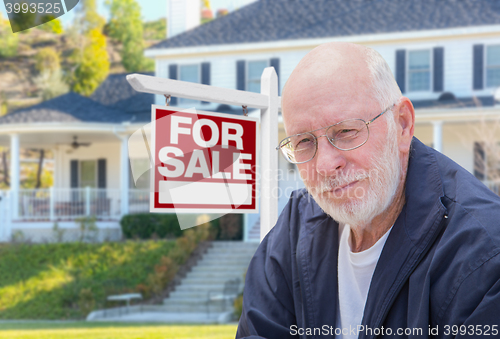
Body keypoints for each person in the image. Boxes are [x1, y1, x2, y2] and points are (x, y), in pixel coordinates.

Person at [236, 42, 500, 339]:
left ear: (402, 124)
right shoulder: (295, 228)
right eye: (304, 141)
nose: (325, 165)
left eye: (346, 132)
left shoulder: (484, 254)